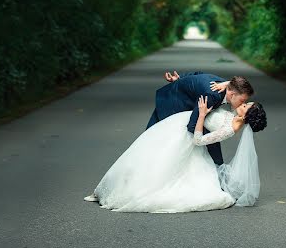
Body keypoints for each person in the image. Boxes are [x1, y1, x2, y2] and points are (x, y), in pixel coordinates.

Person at [83, 89, 267, 213]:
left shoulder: (230, 130)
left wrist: (202, 114)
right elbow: (226, 98)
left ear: (246, 116)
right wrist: (225, 86)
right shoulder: (234, 116)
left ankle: (128, 191)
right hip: (177, 124)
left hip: (185, 135)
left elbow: (198, 140)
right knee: (145, 156)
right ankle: (111, 187)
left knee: (160, 163)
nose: (242, 104)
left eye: (245, 106)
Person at [146, 70, 254, 165]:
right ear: (232, 94)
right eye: (242, 100)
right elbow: (192, 126)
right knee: (152, 139)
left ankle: (218, 166)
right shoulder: (213, 95)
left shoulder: (226, 85)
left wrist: (180, 78)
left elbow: (199, 74)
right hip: (172, 104)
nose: (243, 103)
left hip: (180, 96)